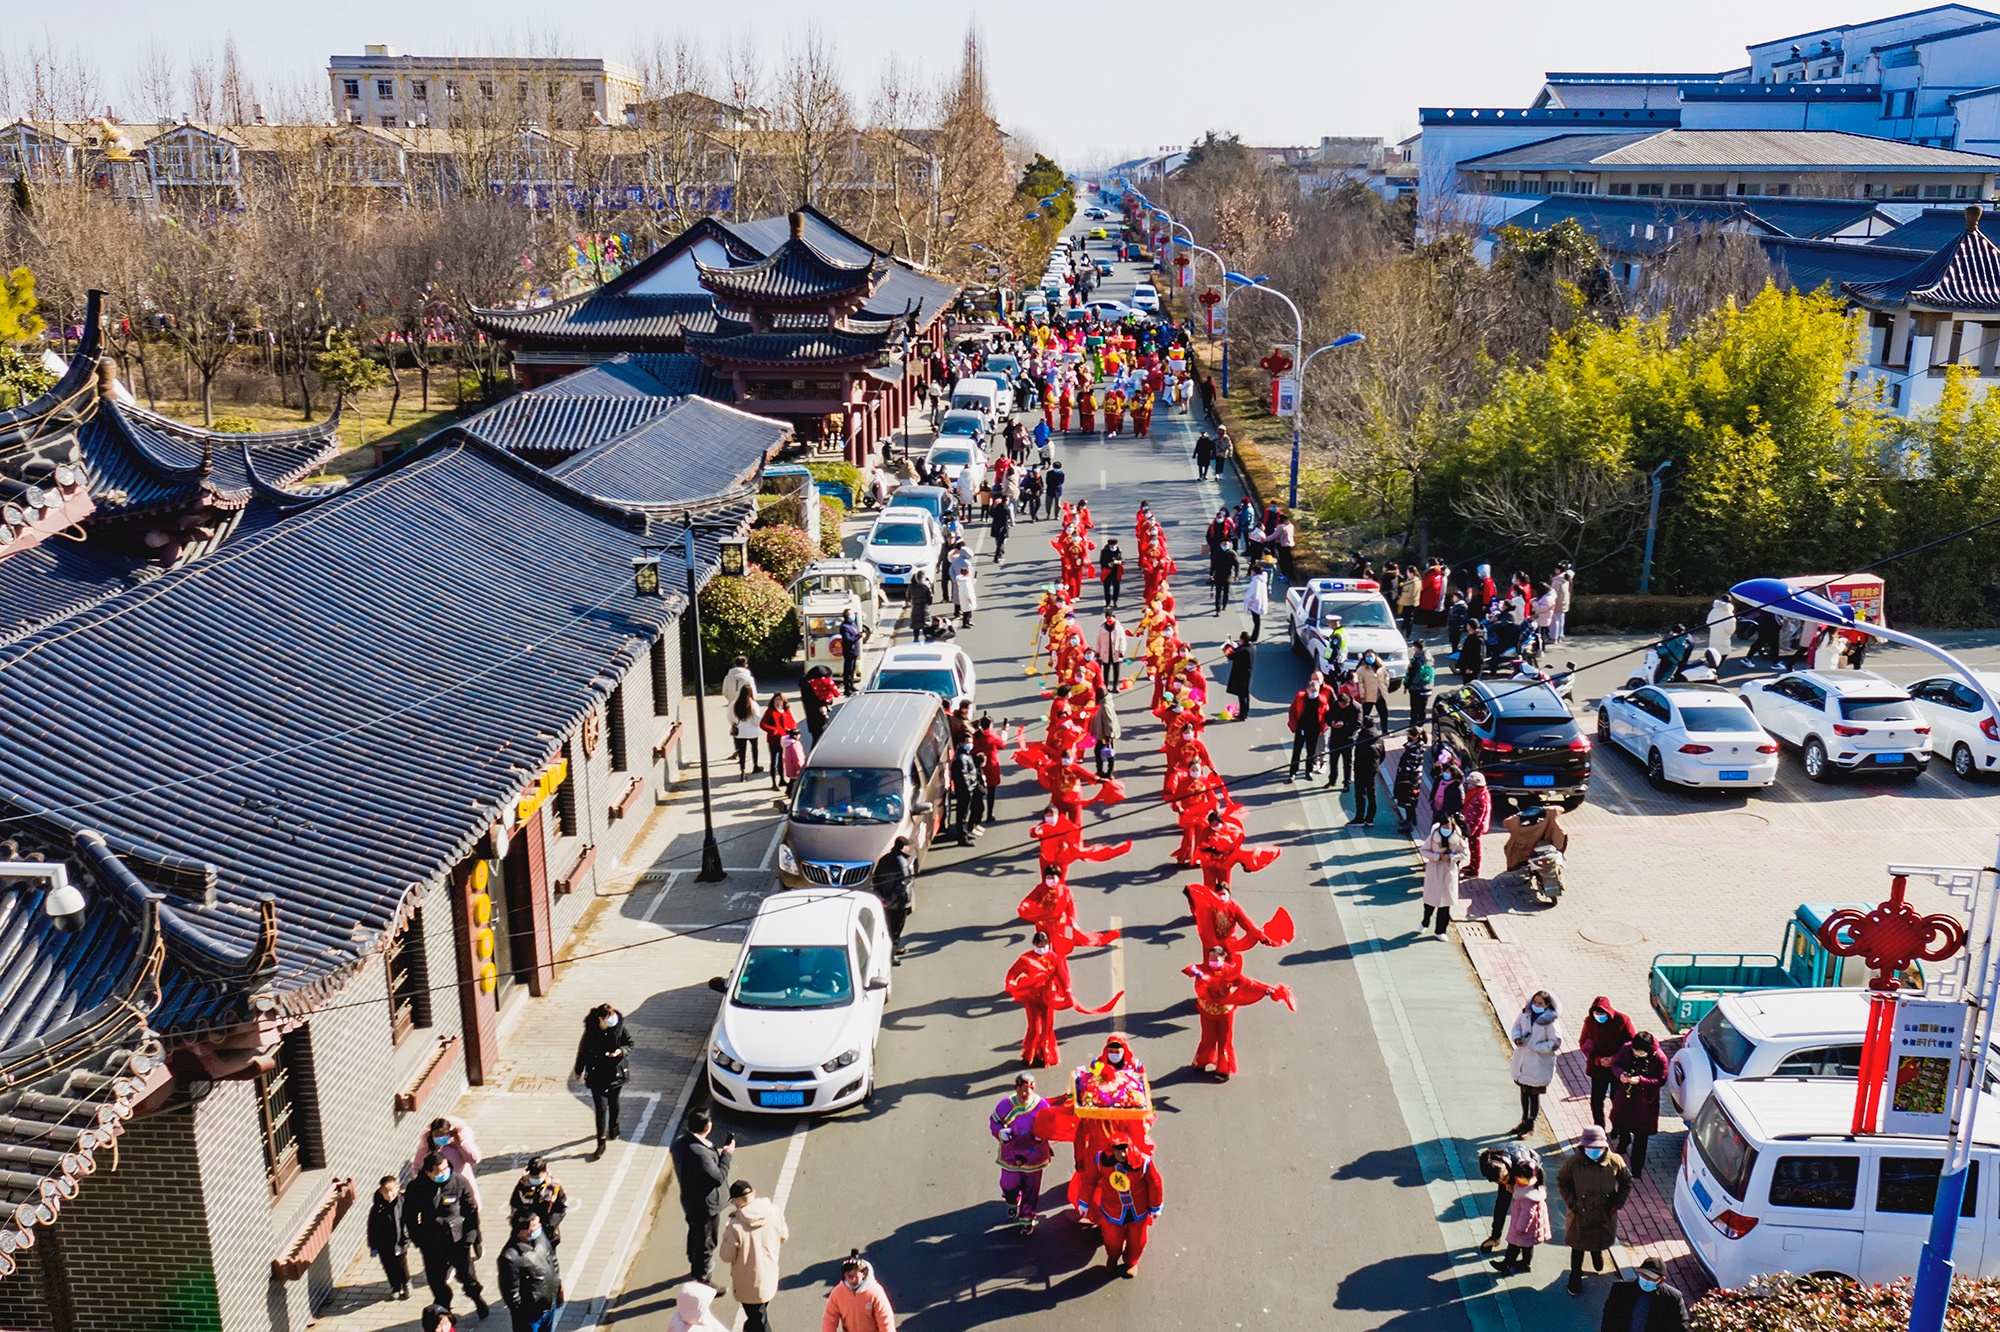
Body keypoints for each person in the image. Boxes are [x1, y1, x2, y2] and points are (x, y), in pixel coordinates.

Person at [405, 1150, 488, 1317]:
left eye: (445, 1168)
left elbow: (471, 1211)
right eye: (439, 1171)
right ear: (428, 1172)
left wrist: (470, 1237)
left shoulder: (458, 1182)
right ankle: (444, 1309)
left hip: (458, 1241)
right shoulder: (416, 1188)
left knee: (468, 1277)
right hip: (432, 1243)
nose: (443, 1173)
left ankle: (477, 1298)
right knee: (436, 1281)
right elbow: (409, 1216)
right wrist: (419, 1240)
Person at [1558, 1125, 1634, 1296]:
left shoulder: (1615, 1161)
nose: (1594, 1151)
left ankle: (1596, 1254)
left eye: (1598, 1147)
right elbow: (1562, 1182)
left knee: (1599, 1238)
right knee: (1577, 1247)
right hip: (1580, 1214)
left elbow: (1626, 1182)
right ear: (1583, 1146)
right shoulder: (1573, 1164)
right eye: (1590, 1147)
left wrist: (1617, 1203)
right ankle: (1575, 1275)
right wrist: (1572, 1203)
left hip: (1604, 1213)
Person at [1079, 1134, 1163, 1276]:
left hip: (1138, 1209)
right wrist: (1084, 1202)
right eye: (1118, 1150)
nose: (1122, 1154)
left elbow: (1155, 1183)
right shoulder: (1100, 1160)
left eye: (1125, 1149)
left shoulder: (1143, 1161)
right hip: (1112, 1208)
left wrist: (1155, 1206)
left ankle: (1131, 1262)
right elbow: (1089, 1180)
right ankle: (1112, 1258)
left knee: (1138, 1241)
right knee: (1112, 1240)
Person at [671, 1109, 736, 1286]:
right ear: (708, 1126)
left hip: (690, 1201)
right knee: (707, 1241)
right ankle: (702, 1277)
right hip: (706, 1206)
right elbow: (718, 1177)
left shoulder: (679, 1144)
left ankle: (694, 1262)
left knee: (695, 1233)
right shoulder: (699, 1152)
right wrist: (727, 1155)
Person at [717, 1182, 788, 1332]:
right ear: (754, 1193)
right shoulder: (774, 1212)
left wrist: (727, 1235)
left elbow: (726, 1255)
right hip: (769, 1276)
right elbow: (784, 1235)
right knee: (757, 1317)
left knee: (758, 1321)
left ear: (735, 1200)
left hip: (748, 1285)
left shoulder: (735, 1226)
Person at [990, 1073, 1054, 1233]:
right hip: (1011, 1153)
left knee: (1031, 1189)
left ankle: (1026, 1219)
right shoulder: (1005, 1105)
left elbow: (1052, 1124)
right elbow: (994, 1121)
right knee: (1008, 1183)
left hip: (1035, 1156)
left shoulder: (1042, 1106)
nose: (1024, 1094)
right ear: (1016, 1088)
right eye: (1020, 1089)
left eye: (1027, 1090)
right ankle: (1012, 1200)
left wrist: (1044, 1134)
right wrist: (1000, 1132)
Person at [572, 1004, 634, 1156]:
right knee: (600, 1109)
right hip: (597, 1073)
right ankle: (601, 1142)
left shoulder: (620, 1027)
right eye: (608, 1018)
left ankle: (614, 1127)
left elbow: (630, 1043)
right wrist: (578, 1070)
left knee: (614, 1102)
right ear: (600, 1019)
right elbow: (583, 1051)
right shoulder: (591, 1031)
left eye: (612, 1016)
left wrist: (620, 1051)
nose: (612, 1020)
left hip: (615, 1072)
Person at [1608, 1032, 1668, 1179]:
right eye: (1635, 1050)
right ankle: (1624, 1142)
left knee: (1641, 1137)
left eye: (1640, 1052)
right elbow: (1616, 1063)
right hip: (1626, 1096)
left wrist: (1641, 1080)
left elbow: (1661, 1079)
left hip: (1645, 1102)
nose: (1636, 1053)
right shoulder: (1626, 1048)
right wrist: (1620, 1074)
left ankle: (1636, 1168)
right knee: (1621, 1122)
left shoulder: (1660, 1058)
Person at [497, 1209, 563, 1332]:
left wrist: (557, 1284)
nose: (540, 1226)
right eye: (535, 1225)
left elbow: (552, 1260)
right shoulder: (510, 1257)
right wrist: (523, 1313)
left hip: (549, 1306)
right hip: (531, 1317)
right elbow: (511, 1293)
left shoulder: (540, 1238)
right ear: (523, 1230)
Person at [1509, 991, 1564, 1138]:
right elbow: (1516, 1026)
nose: (1536, 1006)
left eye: (1540, 1003)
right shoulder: (1525, 1014)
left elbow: (1555, 1043)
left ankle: (1530, 1124)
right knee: (1524, 1091)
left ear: (1547, 1005)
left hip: (1539, 1063)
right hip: (1523, 1059)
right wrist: (1517, 1038)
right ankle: (1524, 1120)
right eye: (1535, 1002)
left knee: (1533, 1094)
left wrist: (1537, 1047)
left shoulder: (1550, 1022)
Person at [1476, 1143, 1544, 1255]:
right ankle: (1495, 1237)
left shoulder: (1524, 1165)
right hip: (1509, 1168)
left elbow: (1535, 1175)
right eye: (1499, 1182)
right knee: (1501, 1205)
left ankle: (1520, 1243)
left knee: (1520, 1211)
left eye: (1505, 1180)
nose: (1504, 1183)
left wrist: (1516, 1186)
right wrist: (1505, 1183)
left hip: (1526, 1173)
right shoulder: (1490, 1160)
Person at [1580, 997, 1638, 1128]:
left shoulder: (1622, 1020)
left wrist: (1615, 1058)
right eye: (1596, 1013)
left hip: (1618, 1068)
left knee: (1616, 1099)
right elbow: (1584, 1043)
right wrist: (1598, 1059)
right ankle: (1599, 1128)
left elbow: (1631, 1043)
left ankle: (1617, 1127)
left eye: (1602, 1013)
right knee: (1596, 1100)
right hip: (1599, 1068)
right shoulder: (1590, 1022)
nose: (1599, 1016)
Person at [1489, 1158, 1551, 1277]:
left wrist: (1520, 1229)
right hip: (1532, 1227)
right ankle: (1525, 1263)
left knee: (1514, 1245)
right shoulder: (1532, 1184)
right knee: (1527, 1246)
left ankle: (1506, 1264)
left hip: (1523, 1227)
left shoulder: (1528, 1197)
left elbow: (1527, 1214)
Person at [1600, 1256, 1688, 1332]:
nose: (1646, 1279)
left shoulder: (1672, 1299)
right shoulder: (1620, 1290)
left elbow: (1680, 1326)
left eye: (1651, 1278)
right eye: (1643, 1275)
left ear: (1662, 1280)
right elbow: (1609, 1319)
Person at [413, 1116, 485, 1208]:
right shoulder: (426, 1148)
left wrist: (461, 1143)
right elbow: (417, 1167)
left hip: (461, 1186)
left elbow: (474, 1159)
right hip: (436, 1190)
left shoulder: (457, 1146)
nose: (440, 1137)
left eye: (443, 1134)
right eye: (437, 1135)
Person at [822, 1251, 896, 1332]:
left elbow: (885, 1318)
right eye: (848, 1274)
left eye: (854, 1273)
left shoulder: (875, 1292)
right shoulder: (838, 1293)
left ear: (863, 1274)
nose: (850, 1275)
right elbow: (829, 1318)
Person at [1419, 815, 1469, 936]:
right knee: (1430, 900)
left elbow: (1465, 853)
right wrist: (1437, 857)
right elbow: (1424, 850)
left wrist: (1451, 857)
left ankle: (1440, 930)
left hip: (1449, 871)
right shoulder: (1433, 836)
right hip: (1434, 870)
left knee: (1446, 902)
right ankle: (1425, 922)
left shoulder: (1458, 836)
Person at [869, 836, 914, 961]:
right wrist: (890, 899)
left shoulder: (884, 859)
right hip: (899, 904)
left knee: (888, 927)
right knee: (895, 931)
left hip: (885, 902)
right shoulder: (902, 862)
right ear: (904, 847)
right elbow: (903, 885)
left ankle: (894, 949)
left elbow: (875, 879)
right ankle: (891, 956)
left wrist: (881, 897)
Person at [508, 1157, 569, 1249]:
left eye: (538, 1177)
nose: (535, 1179)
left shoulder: (553, 1187)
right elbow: (515, 1205)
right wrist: (522, 1225)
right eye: (533, 1177)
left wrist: (550, 1225)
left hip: (547, 1233)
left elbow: (562, 1207)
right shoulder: (522, 1186)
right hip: (525, 1233)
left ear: (545, 1172)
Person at [368, 1175, 411, 1299]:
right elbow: (372, 1227)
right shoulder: (377, 1208)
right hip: (384, 1243)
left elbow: (408, 1221)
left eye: (392, 1190)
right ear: (381, 1192)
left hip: (400, 1241)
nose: (389, 1194)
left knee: (401, 1265)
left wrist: (406, 1238)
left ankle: (406, 1283)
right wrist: (373, 1245)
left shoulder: (403, 1203)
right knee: (388, 1266)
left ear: (398, 1188)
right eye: (386, 1191)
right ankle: (395, 1287)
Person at [1287, 673, 1328, 780]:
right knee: (1297, 751)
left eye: (1316, 691)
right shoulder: (1300, 697)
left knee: (1311, 752)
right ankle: (1293, 772)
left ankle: (1308, 771)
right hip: (1301, 728)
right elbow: (1292, 710)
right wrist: (1293, 724)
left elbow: (1326, 714)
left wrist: (1323, 727)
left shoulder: (1322, 701)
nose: (1314, 693)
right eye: (1312, 690)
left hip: (1314, 729)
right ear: (1307, 689)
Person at [1323, 684, 1360, 792]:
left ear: (1348, 702)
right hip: (1335, 737)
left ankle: (1346, 782)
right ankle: (1332, 780)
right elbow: (1328, 716)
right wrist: (1332, 723)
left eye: (1343, 705)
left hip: (1348, 738)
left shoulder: (1356, 708)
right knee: (1333, 760)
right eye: (1340, 704)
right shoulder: (1335, 705)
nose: (1341, 706)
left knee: (1347, 762)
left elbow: (1358, 724)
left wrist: (1344, 724)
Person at [760, 695, 800, 792]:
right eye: (776, 700)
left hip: (785, 740)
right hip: (774, 740)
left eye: (780, 700)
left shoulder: (786, 711)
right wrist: (774, 731)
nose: (778, 702)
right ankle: (774, 782)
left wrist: (793, 731)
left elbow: (793, 723)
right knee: (774, 760)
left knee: (783, 761)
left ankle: (782, 779)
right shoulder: (770, 712)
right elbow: (763, 724)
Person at [951, 739, 986, 844]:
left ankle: (964, 834)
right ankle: (962, 838)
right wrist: (969, 788)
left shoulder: (966, 755)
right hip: (965, 791)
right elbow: (963, 776)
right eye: (967, 742)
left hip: (967, 790)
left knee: (964, 814)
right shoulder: (962, 758)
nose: (969, 745)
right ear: (961, 743)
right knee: (962, 815)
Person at [1350, 722, 1384, 825]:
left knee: (1360, 793)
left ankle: (1359, 817)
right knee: (1371, 793)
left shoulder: (1362, 739)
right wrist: (1376, 764)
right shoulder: (1379, 739)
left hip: (1361, 770)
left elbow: (1358, 755)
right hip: (1373, 769)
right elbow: (1382, 755)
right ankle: (1370, 818)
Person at [1461, 772, 1492, 879]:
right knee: (1472, 846)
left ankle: (1475, 869)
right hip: (1471, 825)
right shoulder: (1476, 792)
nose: (1468, 785)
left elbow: (1477, 818)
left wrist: (1470, 832)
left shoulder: (1480, 797)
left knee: (1475, 847)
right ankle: (1472, 864)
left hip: (1475, 827)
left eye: (1470, 783)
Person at [973, 718, 1003, 826]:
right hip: (991, 766)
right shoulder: (992, 736)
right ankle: (989, 815)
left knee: (978, 793)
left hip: (977, 766)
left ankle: (977, 817)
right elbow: (1002, 745)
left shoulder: (976, 735)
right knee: (991, 792)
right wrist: (1003, 732)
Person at [1087, 685, 1120, 778]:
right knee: (1107, 752)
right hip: (1103, 733)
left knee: (1105, 752)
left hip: (1105, 735)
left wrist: (1108, 735)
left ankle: (1106, 771)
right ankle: (1105, 771)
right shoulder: (1104, 703)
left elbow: (1109, 722)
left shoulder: (1104, 706)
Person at [1223, 633, 1255, 721]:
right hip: (1248, 674)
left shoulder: (1243, 650)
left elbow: (1230, 656)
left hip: (1242, 676)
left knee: (1242, 696)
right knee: (1246, 694)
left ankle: (1242, 715)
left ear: (1242, 640)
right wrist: (1235, 647)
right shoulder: (1252, 647)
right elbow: (1239, 650)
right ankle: (1245, 711)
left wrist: (1227, 647)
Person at [732, 685, 761, 777]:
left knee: (742, 751)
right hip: (752, 731)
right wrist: (755, 725)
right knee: (754, 748)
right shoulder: (753, 704)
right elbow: (757, 717)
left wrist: (735, 723)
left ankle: (742, 770)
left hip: (740, 731)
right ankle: (755, 765)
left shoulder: (734, 703)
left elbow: (730, 716)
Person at [1095, 612, 1128, 691]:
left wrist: (1122, 651)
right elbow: (1098, 640)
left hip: (1116, 652)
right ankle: (1105, 686)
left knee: (1116, 670)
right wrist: (1097, 652)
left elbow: (1122, 640)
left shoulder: (1119, 627)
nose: (1109, 618)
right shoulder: (1102, 628)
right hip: (1105, 652)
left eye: (1111, 617)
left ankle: (1115, 686)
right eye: (1108, 617)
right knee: (1106, 670)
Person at [1406, 640, 1434, 729]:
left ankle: (1414, 726)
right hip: (1427, 686)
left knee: (1414, 707)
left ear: (1417, 648)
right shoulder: (1429, 657)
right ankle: (1421, 724)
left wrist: (1407, 685)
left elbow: (1412, 673)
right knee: (1422, 707)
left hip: (1416, 687)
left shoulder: (1417, 659)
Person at [1241, 561, 1271, 638]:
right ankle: (1255, 636)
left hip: (1255, 603)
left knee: (1256, 620)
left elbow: (1254, 593)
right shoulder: (1262, 579)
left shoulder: (1256, 581)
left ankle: (1254, 636)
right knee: (1256, 620)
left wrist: (1249, 600)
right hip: (1259, 602)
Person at [1208, 540, 1238, 616]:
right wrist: (1211, 574)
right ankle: (1217, 609)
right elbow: (1213, 564)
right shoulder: (1217, 553)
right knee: (1218, 593)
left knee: (1226, 592)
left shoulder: (1232, 553)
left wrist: (1236, 575)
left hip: (1228, 576)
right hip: (1218, 576)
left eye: (1226, 544)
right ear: (1220, 544)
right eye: (1223, 544)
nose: (1225, 545)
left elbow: (1237, 565)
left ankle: (1224, 604)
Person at [1098, 538, 1124, 609]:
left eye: (1114, 545)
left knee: (1116, 587)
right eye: (1112, 545)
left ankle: (1115, 600)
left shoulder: (1118, 550)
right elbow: (1102, 562)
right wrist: (1108, 564)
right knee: (1107, 588)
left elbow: (1121, 558)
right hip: (1107, 572)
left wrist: (1120, 561)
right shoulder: (1104, 551)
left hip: (1116, 571)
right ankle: (1107, 602)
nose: (1113, 547)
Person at [990, 493, 1013, 564]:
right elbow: (1007, 518)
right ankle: (998, 557)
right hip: (1002, 527)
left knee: (998, 542)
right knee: (1001, 543)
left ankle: (999, 555)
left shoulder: (997, 507)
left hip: (995, 525)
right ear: (1006, 501)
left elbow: (991, 513)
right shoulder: (1006, 509)